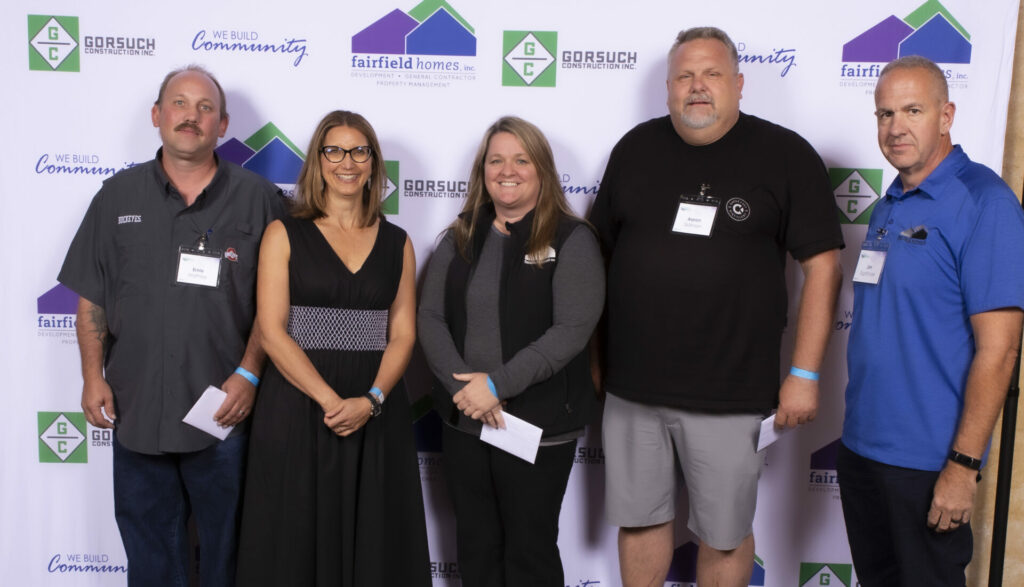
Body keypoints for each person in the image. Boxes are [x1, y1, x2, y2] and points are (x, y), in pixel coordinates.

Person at [589, 27, 844, 586]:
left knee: (725, 534)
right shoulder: (634, 148)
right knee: (638, 521)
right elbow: (597, 257)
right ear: (668, 88)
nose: (697, 87)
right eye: (684, 75)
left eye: (711, 74)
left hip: (730, 390)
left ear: (739, 84)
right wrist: (595, 356)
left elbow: (822, 267)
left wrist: (803, 373)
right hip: (633, 388)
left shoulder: (785, 155)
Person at [57, 65, 286, 586]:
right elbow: (92, 294)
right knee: (151, 560)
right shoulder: (115, 197)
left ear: (223, 124)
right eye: (180, 104)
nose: (192, 116)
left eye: (205, 107)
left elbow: (278, 305)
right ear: (157, 116)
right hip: (137, 411)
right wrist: (93, 377)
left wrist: (249, 374)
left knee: (229, 556)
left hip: (224, 415)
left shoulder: (260, 200)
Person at [839, 56, 1024, 586]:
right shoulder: (888, 204)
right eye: (884, 113)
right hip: (861, 449)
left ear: (947, 115)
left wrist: (963, 466)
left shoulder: (983, 202)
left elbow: (1001, 350)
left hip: (928, 463)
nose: (895, 127)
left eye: (912, 110)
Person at [235, 110, 430, 586]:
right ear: (318, 161)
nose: (348, 162)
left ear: (373, 162)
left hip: (374, 408)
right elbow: (271, 328)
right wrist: (330, 401)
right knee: (293, 535)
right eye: (335, 150)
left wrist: (371, 401)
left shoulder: (398, 241)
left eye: (359, 151)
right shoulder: (284, 233)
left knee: (376, 540)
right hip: (299, 406)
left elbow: (403, 333)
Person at [418, 116, 605, 586]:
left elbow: (571, 331)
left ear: (541, 168)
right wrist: (468, 392)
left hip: (537, 427)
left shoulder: (572, 239)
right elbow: (430, 319)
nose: (508, 170)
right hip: (466, 423)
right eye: (496, 160)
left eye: (521, 159)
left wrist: (496, 386)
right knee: (477, 548)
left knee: (530, 552)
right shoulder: (461, 235)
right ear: (483, 170)